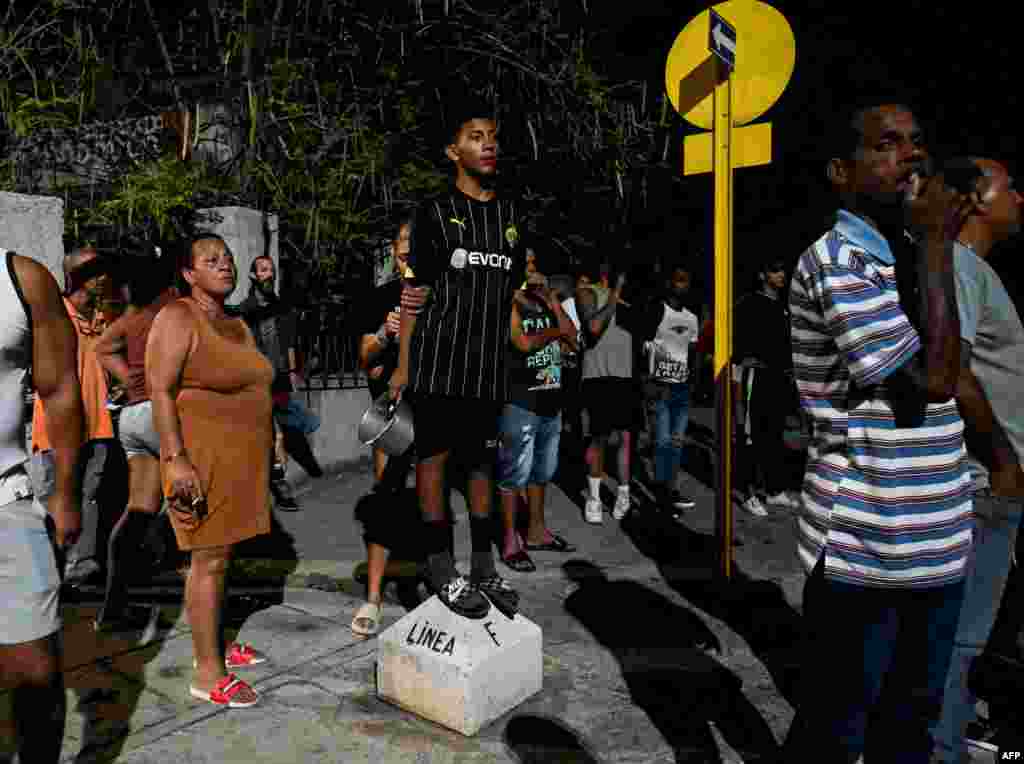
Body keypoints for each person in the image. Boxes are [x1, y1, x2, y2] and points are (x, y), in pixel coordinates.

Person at [782, 102, 975, 763]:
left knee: (907, 729)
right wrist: (938, 247)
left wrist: (930, 252)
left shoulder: (909, 255)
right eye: (886, 146)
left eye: (916, 144)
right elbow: (934, 383)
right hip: (865, 545)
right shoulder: (839, 259)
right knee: (835, 732)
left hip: (937, 541)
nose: (911, 158)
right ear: (842, 170)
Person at [389, 98, 525, 619]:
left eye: (492, 135)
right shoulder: (432, 214)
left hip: (489, 372)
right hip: (438, 366)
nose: (488, 144)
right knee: (434, 464)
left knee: (482, 470)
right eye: (475, 135)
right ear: (453, 150)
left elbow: (506, 298)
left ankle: (485, 567)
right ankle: (440, 567)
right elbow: (414, 295)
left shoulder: (512, 216)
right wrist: (403, 367)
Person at [147, 234, 273, 708]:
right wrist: (175, 458)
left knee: (224, 557)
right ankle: (206, 672)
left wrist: (273, 438)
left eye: (227, 258)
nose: (225, 265)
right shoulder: (178, 316)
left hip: (243, 458)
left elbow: (256, 383)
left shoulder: (238, 323)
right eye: (210, 260)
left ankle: (216, 641)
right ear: (188, 273)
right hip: (200, 456)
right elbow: (160, 390)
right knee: (208, 558)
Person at [930, 157, 1024, 762]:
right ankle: (941, 748)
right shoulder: (961, 267)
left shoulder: (976, 273)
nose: (1020, 194)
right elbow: (953, 371)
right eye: (1009, 185)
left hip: (997, 482)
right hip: (987, 484)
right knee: (964, 638)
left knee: (977, 635)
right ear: (975, 200)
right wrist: (1001, 461)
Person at [0, 250, 84, 763]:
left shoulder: (21, 279)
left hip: (6, 500)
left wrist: (66, 492)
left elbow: (60, 388)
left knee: (35, 674)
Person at [93, 250, 178, 630]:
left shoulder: (133, 315)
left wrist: (126, 377)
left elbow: (102, 348)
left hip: (132, 417)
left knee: (138, 509)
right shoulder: (177, 307)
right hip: (166, 413)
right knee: (196, 507)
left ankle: (113, 607)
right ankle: (206, 617)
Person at [30, 246, 124, 586]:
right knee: (54, 498)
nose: (102, 279)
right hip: (56, 429)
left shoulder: (102, 320)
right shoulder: (53, 316)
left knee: (90, 495)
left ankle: (80, 566)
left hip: (97, 427)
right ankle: (49, 569)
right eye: (93, 272)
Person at [351, 217, 418, 636]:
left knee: (435, 501)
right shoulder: (379, 297)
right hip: (392, 412)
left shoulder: (445, 295)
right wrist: (384, 333)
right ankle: (373, 597)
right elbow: (364, 357)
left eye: (417, 242)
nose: (408, 249)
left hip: (435, 409)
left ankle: (431, 588)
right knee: (386, 500)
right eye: (403, 242)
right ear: (393, 250)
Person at [497, 269, 578, 572]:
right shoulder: (508, 303)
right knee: (512, 473)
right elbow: (523, 343)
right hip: (519, 400)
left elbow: (572, 335)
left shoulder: (544, 302)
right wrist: (556, 332)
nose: (533, 270)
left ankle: (536, 531)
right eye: (526, 263)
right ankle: (509, 541)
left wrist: (552, 302)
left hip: (551, 400)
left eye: (535, 263)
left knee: (542, 471)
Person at [240, 254, 321, 511]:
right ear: (253, 276)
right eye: (263, 270)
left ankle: (273, 479)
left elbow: (289, 342)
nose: (269, 274)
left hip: (281, 379)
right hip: (256, 380)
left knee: (297, 425)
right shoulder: (245, 310)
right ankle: (278, 484)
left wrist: (294, 371)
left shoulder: (282, 307)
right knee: (273, 433)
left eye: (271, 270)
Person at [733, 259, 800, 516]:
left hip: (778, 381)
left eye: (783, 270)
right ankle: (748, 493)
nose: (781, 274)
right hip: (755, 377)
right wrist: (740, 360)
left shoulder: (783, 308)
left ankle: (774, 491)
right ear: (763, 275)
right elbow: (731, 338)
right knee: (750, 436)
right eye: (775, 269)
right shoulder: (748, 304)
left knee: (774, 436)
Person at [637, 263, 700, 519]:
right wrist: (647, 381)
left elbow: (693, 353)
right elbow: (642, 346)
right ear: (669, 283)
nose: (683, 285)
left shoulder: (691, 317)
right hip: (659, 387)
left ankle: (670, 490)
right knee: (661, 442)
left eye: (686, 280)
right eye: (679, 279)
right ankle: (662, 494)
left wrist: (692, 383)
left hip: (681, 389)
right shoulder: (655, 310)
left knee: (675, 443)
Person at [578, 262, 636, 523]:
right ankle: (594, 497)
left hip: (625, 376)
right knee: (598, 438)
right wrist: (616, 292)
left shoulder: (630, 298)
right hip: (597, 376)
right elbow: (593, 328)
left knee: (625, 437)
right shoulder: (586, 291)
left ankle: (624, 494)